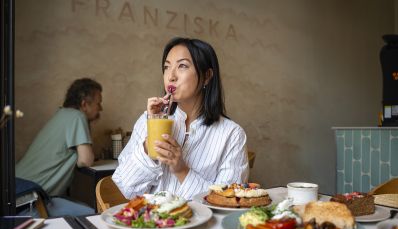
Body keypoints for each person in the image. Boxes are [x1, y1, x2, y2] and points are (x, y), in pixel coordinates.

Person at [113, 37, 249, 200]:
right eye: (166, 67)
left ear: (206, 76)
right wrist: (147, 148)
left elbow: (228, 201)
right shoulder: (148, 120)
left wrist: (181, 170)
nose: (171, 76)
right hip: (150, 223)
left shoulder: (232, 134)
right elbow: (126, 189)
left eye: (182, 66)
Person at [16, 77, 103, 216]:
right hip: (30, 199)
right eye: (98, 103)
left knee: (86, 208)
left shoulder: (63, 114)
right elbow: (85, 160)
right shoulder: (77, 116)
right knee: (96, 215)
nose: (101, 108)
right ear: (84, 104)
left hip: (18, 189)